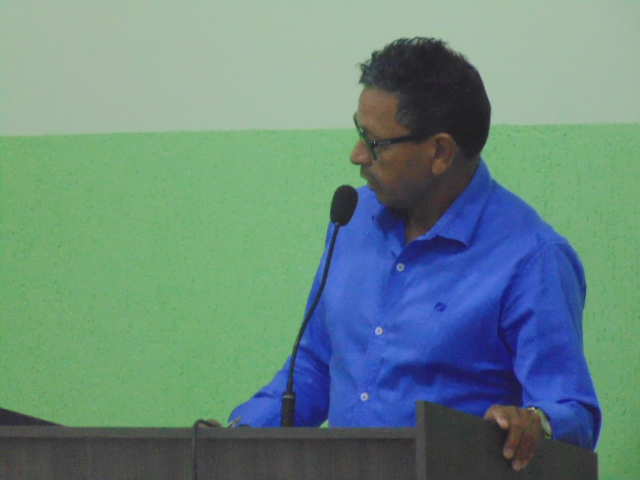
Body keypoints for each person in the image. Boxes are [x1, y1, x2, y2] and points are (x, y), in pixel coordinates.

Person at [229, 38, 601, 471]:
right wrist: (236, 439)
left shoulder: (531, 257)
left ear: (440, 152)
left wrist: (536, 421)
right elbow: (316, 364)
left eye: (374, 142)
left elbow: (572, 410)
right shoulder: (352, 220)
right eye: (358, 132)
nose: (357, 155)